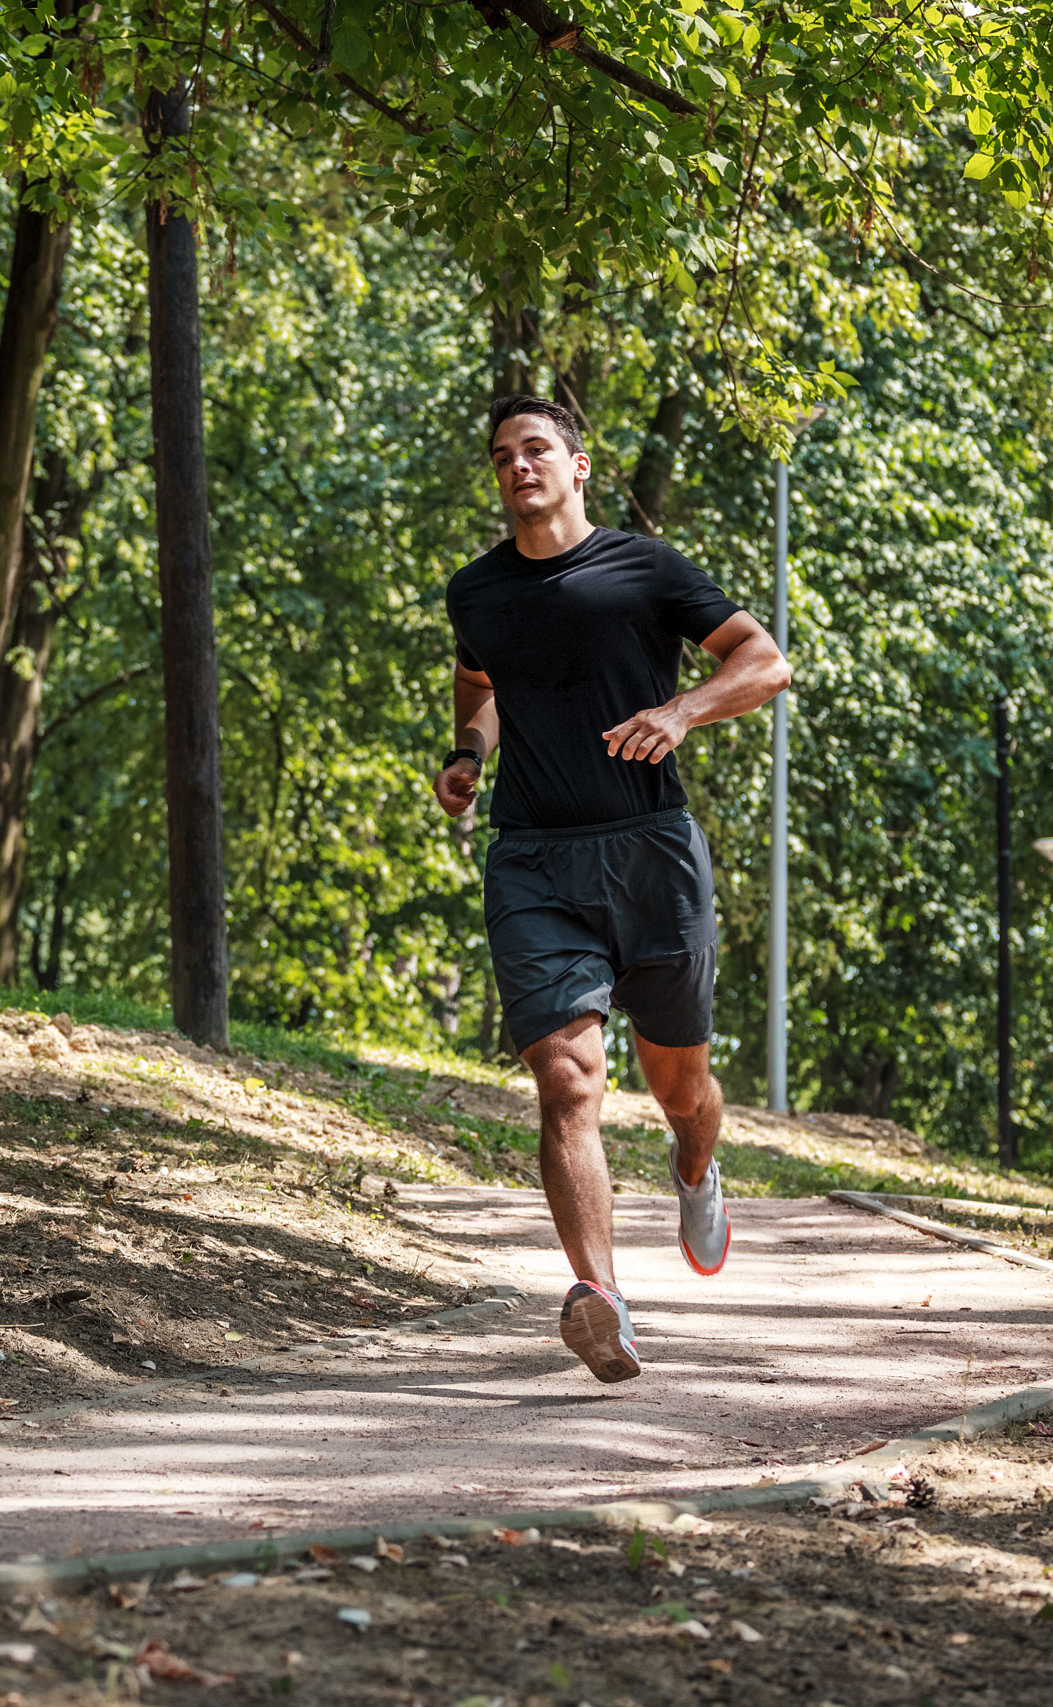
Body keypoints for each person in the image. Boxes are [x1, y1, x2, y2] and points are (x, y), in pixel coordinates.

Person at [435, 395, 790, 1383]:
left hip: (648, 852)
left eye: (536, 448)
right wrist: (468, 753)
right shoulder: (478, 591)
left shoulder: (645, 567)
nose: (518, 466)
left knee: (679, 1086)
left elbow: (765, 663)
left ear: (577, 465)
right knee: (565, 1080)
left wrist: (681, 712)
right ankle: (601, 1299)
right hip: (533, 859)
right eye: (502, 454)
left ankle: (692, 1165)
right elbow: (479, 680)